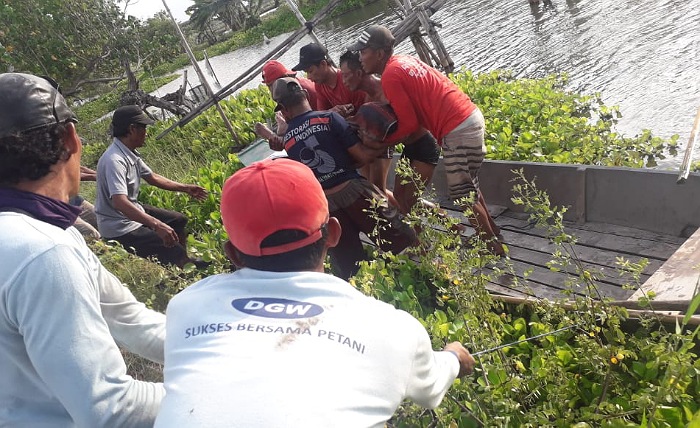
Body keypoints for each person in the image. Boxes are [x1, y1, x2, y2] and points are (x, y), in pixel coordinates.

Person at [155, 158, 475, 427]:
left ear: (232, 254)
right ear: (333, 233)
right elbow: (431, 388)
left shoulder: (186, 306)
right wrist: (454, 358)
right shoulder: (392, 329)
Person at [0, 72, 165, 426]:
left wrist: (222, 347)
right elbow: (111, 410)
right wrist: (213, 386)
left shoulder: (45, 234)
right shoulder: (43, 251)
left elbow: (129, 318)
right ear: (71, 138)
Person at [349, 25, 505, 256]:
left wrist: (380, 143)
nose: (361, 58)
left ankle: (493, 248)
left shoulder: (391, 75)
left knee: (462, 194)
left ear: (379, 53)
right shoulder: (403, 62)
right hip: (469, 117)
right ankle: (493, 234)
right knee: (469, 187)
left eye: (364, 52)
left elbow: (410, 124)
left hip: (458, 127)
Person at [270, 77, 416, 279]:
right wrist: (390, 140)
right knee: (402, 239)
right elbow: (363, 157)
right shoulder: (329, 118)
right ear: (306, 95)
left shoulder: (289, 141)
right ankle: (422, 273)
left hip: (328, 206)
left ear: (285, 110)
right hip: (356, 193)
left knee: (350, 264)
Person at [95, 105, 209, 268]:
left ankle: (182, 263)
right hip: (118, 225)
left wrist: (185, 188)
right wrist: (157, 225)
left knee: (178, 220)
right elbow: (119, 203)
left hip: (131, 211)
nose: (146, 133)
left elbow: (152, 177)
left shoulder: (128, 152)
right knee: (171, 246)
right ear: (132, 129)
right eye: (144, 128)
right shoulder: (114, 160)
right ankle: (183, 270)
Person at [339, 50, 442, 215]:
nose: (343, 81)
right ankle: (446, 227)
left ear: (358, 73)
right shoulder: (368, 100)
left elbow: (409, 126)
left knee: (409, 201)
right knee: (400, 198)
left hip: (425, 145)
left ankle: (448, 227)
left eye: (345, 75)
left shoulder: (387, 89)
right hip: (409, 148)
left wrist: (377, 147)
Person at [292, 42, 366, 117]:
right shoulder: (319, 86)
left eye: (310, 71)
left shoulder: (348, 80)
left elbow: (367, 111)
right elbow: (321, 113)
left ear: (323, 64)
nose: (308, 77)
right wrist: (331, 112)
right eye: (306, 72)